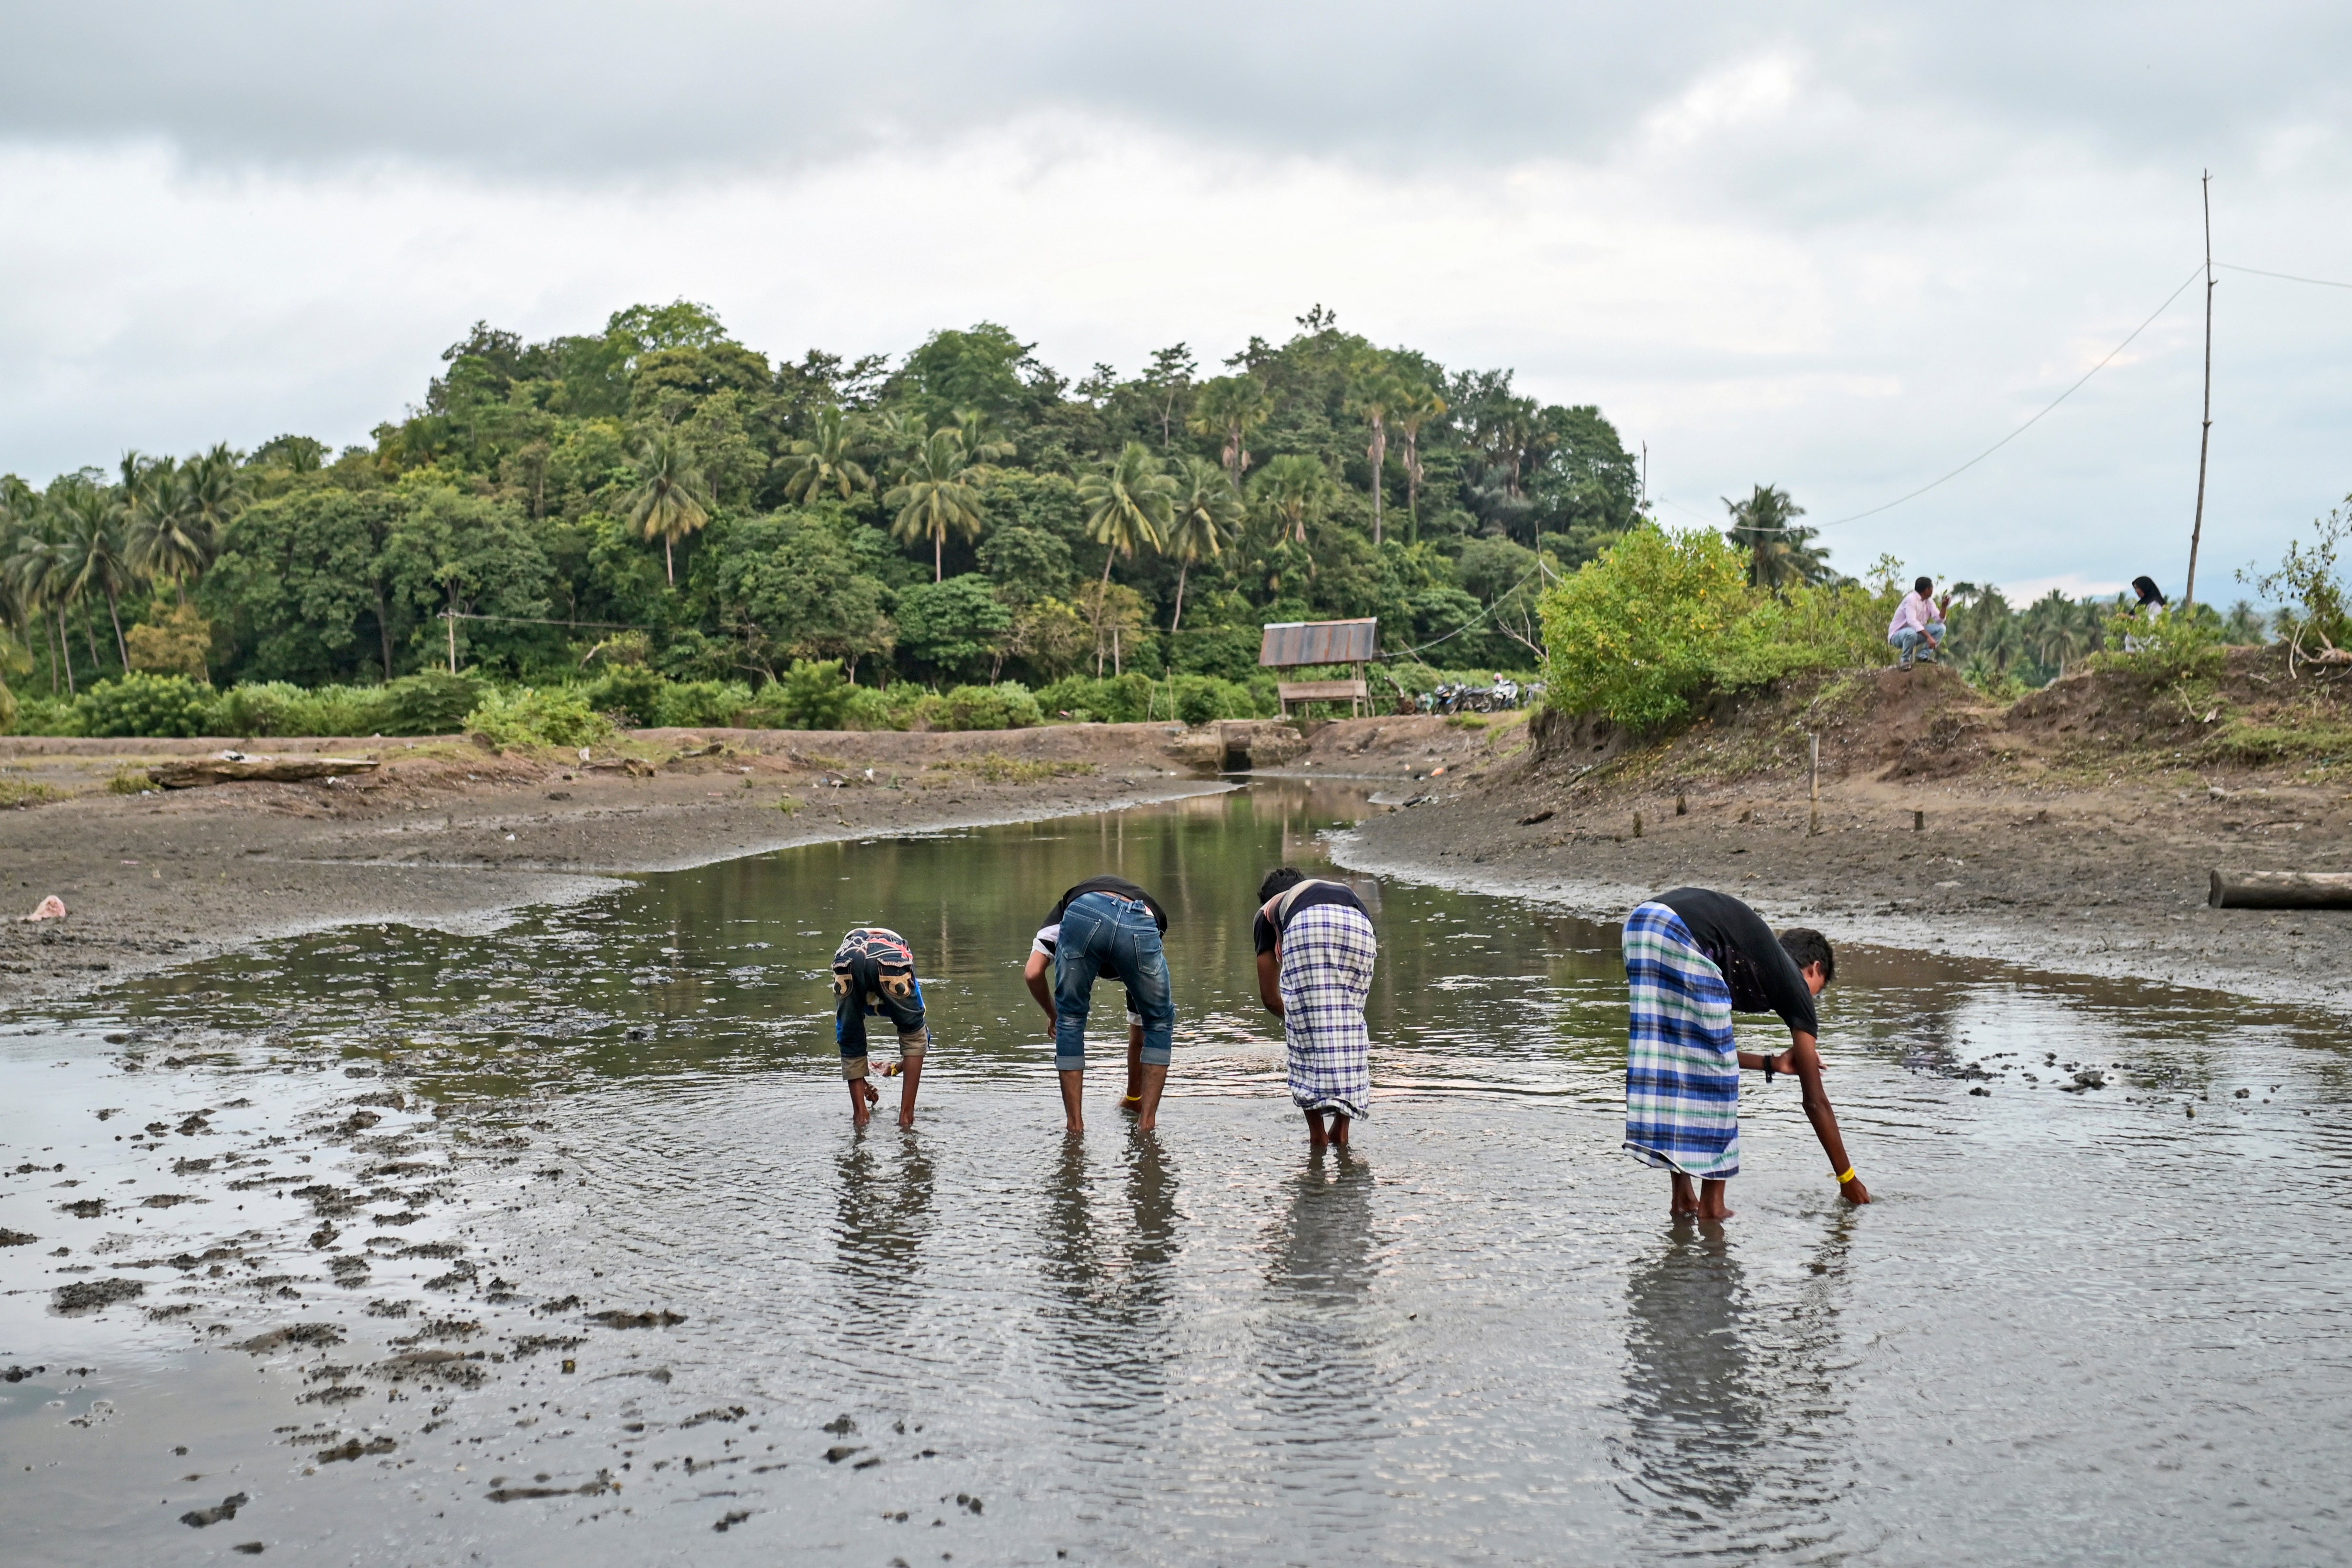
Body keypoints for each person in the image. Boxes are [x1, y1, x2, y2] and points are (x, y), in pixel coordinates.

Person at [1621, 887, 1869, 1221]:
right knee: (1717, 1079)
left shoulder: (1747, 957)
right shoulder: (1793, 983)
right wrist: (1847, 1179)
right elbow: (1815, 1101)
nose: (1811, 999)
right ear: (1814, 969)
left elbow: (1703, 1050)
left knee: (1674, 1061)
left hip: (1642, 924)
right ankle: (1712, 1208)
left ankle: (1684, 1199)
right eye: (1818, 990)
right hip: (1679, 930)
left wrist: (1772, 1063)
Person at [1022, 873, 1174, 1134]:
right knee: (1158, 1023)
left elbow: (1032, 973)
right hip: (1140, 920)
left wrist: (1055, 1015)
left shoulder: (1066, 913)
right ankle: (1147, 1125)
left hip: (1084, 913)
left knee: (1071, 1020)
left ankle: (1075, 1128)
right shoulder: (1150, 932)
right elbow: (1143, 1030)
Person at [1253, 868, 1377, 1148]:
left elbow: (1270, 998)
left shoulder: (1268, 911)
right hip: (1361, 923)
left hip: (1309, 925)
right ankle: (1341, 1132)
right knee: (1351, 1024)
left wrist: (1302, 1019)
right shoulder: (1327, 891)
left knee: (1304, 1031)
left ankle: (1318, 1136)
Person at [832, 926, 928, 1129]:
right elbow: (920, 1037)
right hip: (891, 959)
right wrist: (870, 1080)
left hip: (848, 958)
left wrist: (893, 1068)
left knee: (850, 1037)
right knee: (914, 1036)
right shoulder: (900, 954)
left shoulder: (851, 962)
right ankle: (906, 1118)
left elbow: (846, 1034)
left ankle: (861, 1117)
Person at [1886, 576, 1948, 669]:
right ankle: (1905, 660)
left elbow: (1939, 620)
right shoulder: (1911, 599)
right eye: (1932, 588)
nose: (1933, 590)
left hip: (1915, 634)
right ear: (1927, 590)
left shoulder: (1929, 602)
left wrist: (1944, 607)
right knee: (1911, 633)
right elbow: (1912, 621)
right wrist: (1929, 637)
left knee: (1941, 628)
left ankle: (1923, 655)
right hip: (1898, 636)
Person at [2126, 576, 2168, 652]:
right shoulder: (2140, 604)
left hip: (2149, 645)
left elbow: (2152, 621)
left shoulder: (2155, 604)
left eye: (2138, 588)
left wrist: (2131, 618)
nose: (2136, 591)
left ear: (2145, 588)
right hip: (2135, 644)